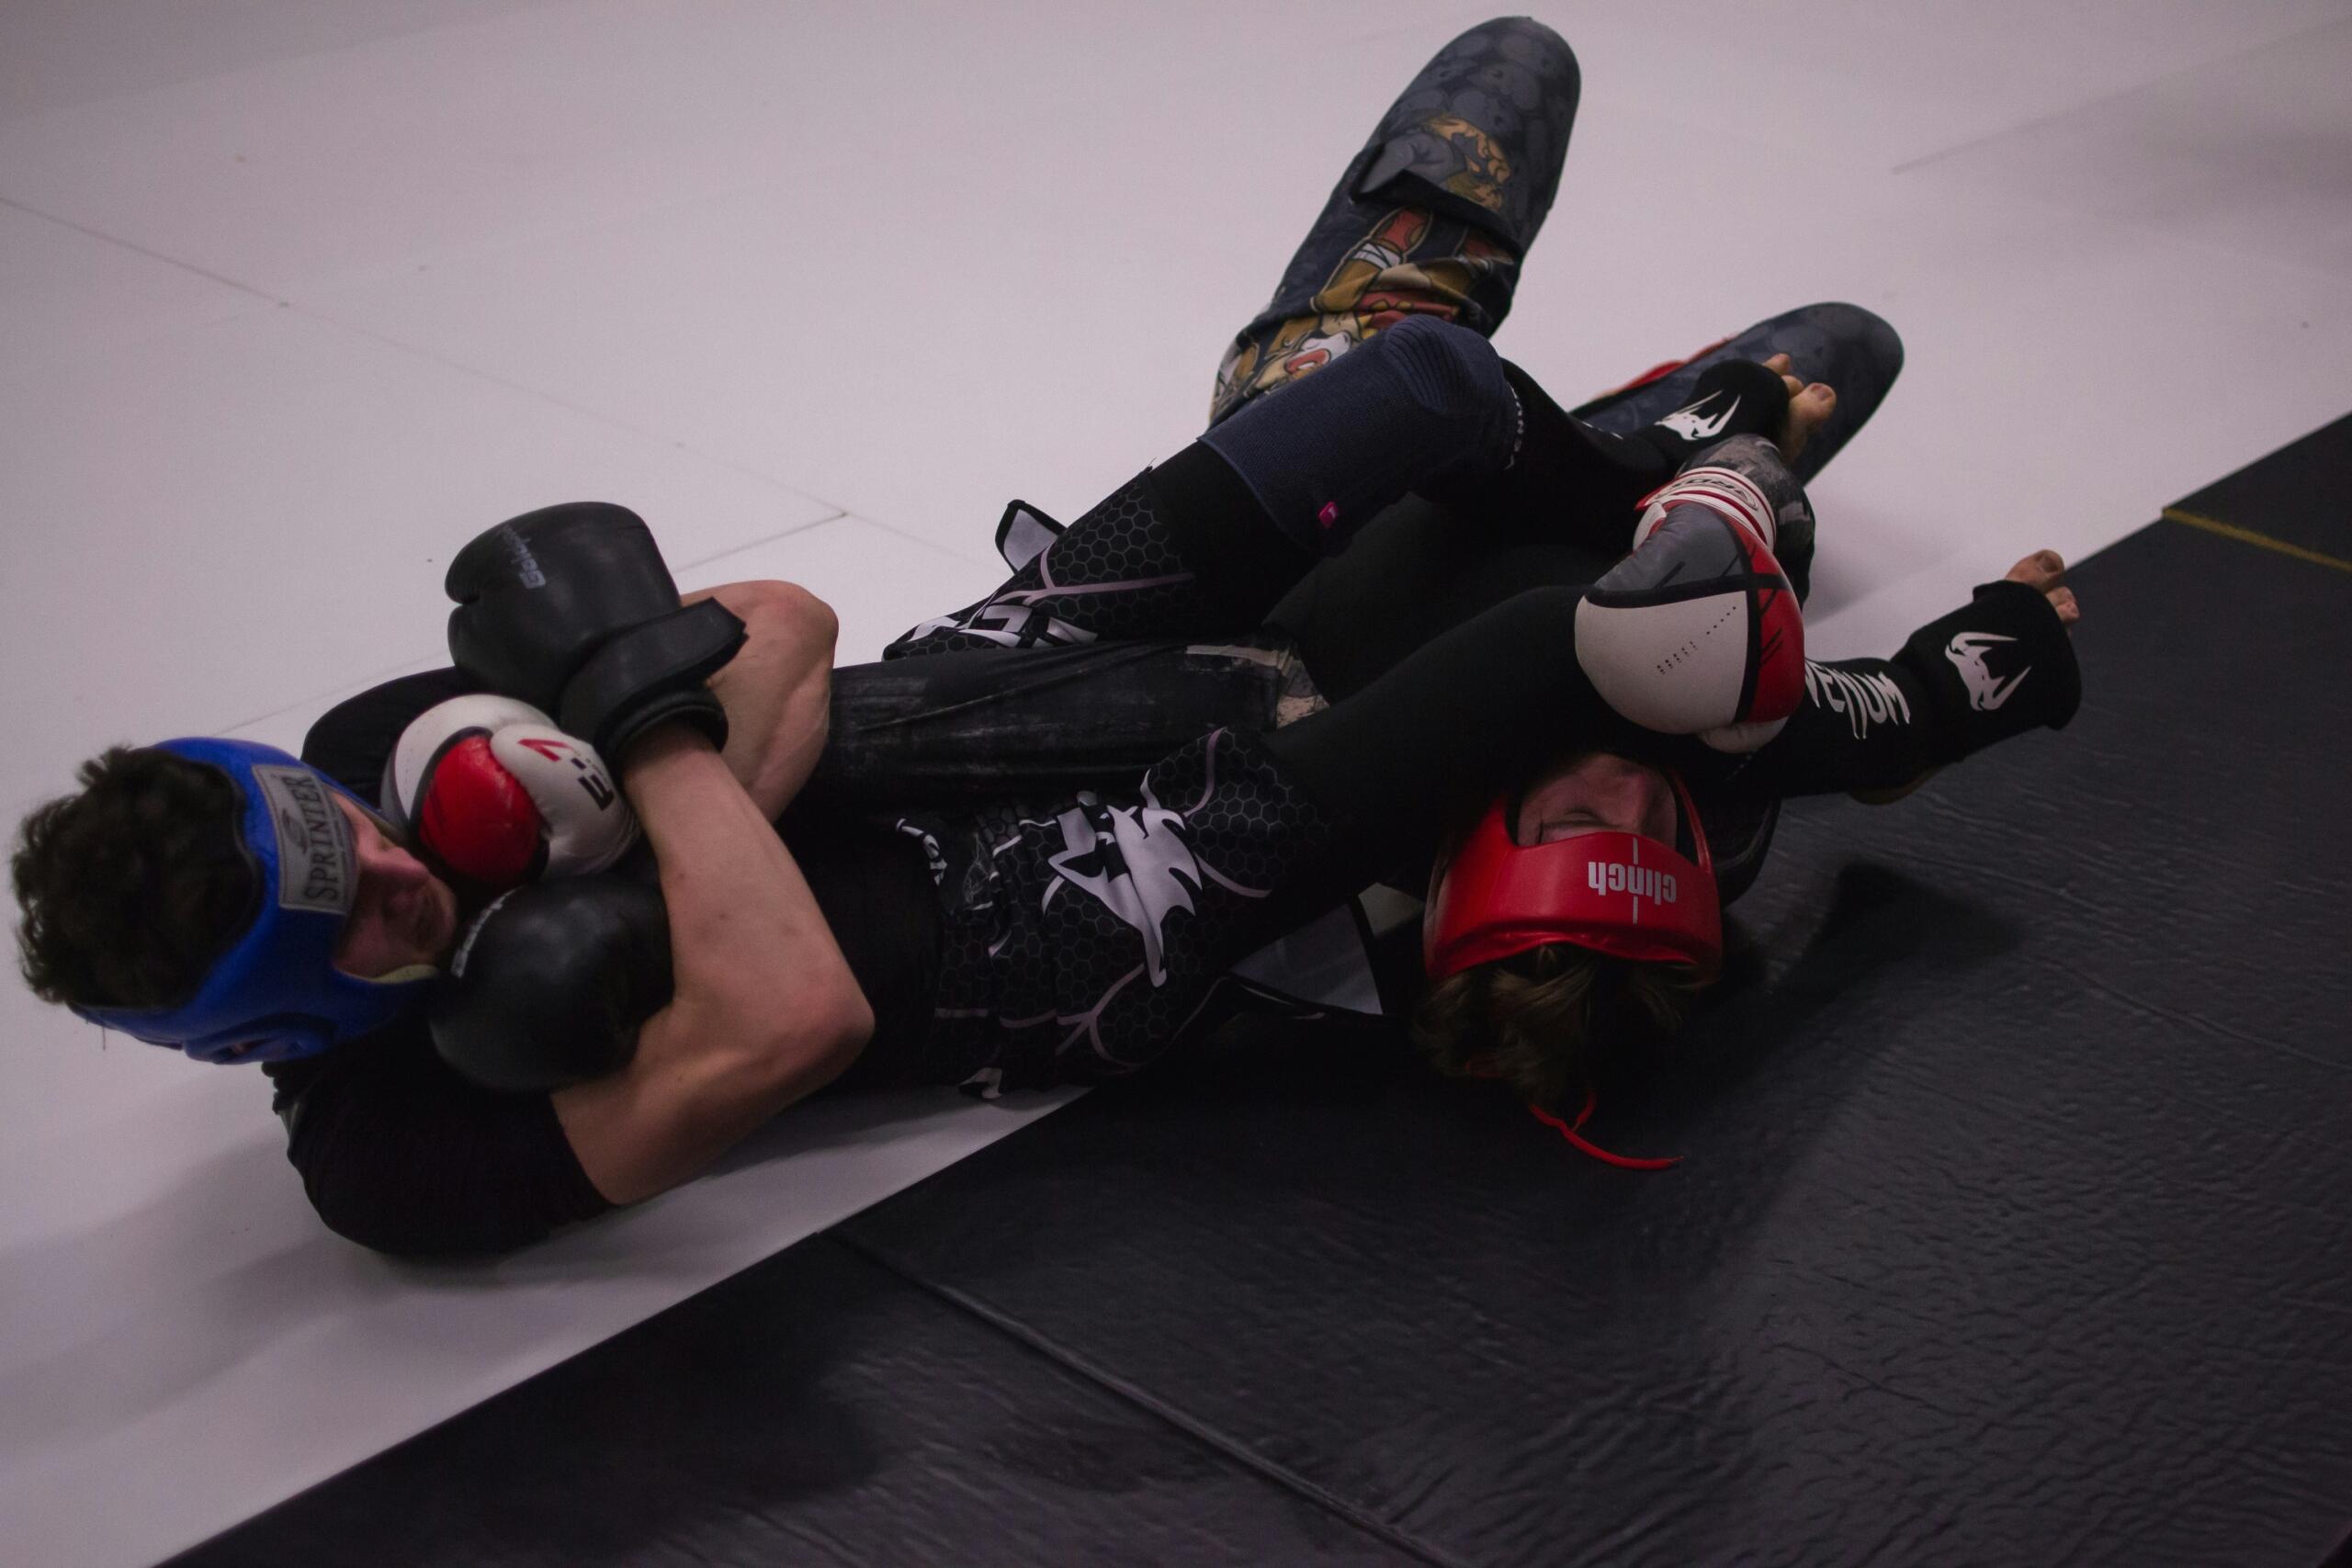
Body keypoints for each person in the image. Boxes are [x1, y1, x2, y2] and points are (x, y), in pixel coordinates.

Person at [9, 20, 2081, 1255]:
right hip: (1080, 916)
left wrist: (663, 741)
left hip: (991, 666)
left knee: (1431, 405)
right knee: (1566, 638)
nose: (389, 849)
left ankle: (1596, 449)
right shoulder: (387, 1152)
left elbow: (795, 624)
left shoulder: (388, 740)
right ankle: (1856, 687)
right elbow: (791, 1023)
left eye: (337, 820)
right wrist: (643, 762)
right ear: (285, 1027)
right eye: (361, 911)